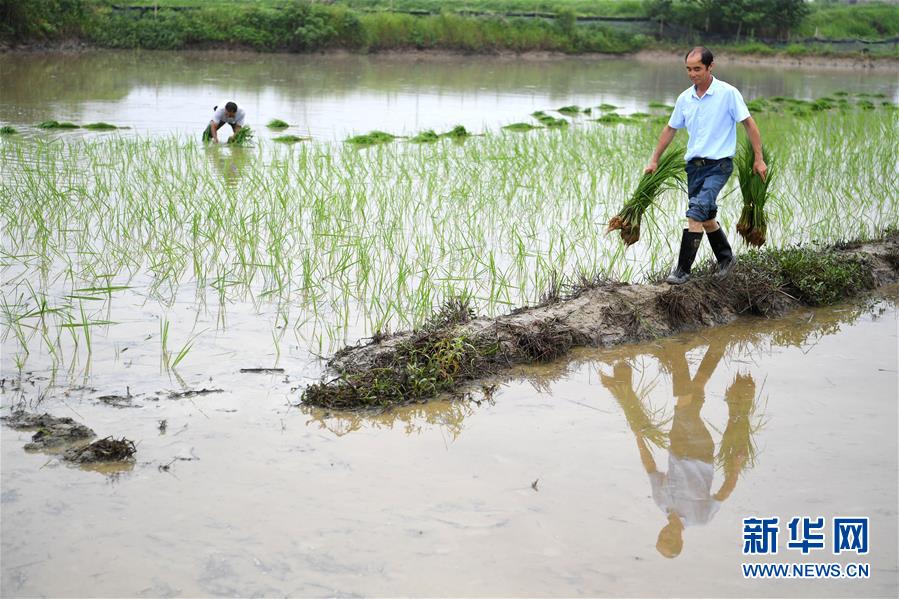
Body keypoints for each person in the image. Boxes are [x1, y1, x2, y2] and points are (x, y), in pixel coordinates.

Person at [644, 47, 767, 285]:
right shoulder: (684, 98)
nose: (692, 74)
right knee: (707, 217)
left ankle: (682, 271)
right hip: (694, 168)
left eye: (697, 69)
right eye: (688, 69)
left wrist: (758, 158)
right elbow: (670, 129)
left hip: (718, 166)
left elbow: (749, 124)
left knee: (695, 213)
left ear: (711, 67)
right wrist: (654, 159)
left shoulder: (728, 93)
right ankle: (726, 259)